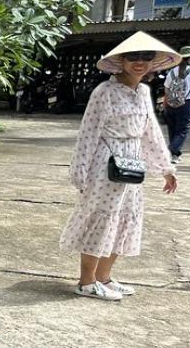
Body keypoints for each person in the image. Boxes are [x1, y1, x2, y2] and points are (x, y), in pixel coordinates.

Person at [60, 31, 180, 300]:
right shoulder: (104, 92)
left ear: (152, 62)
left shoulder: (144, 91)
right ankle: (86, 282)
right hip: (106, 161)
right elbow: (89, 132)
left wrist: (166, 167)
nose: (139, 62)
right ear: (121, 61)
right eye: (132, 56)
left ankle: (105, 277)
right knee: (101, 219)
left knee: (125, 218)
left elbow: (150, 132)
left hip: (133, 162)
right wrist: (80, 172)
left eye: (146, 57)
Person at [163, 45, 190, 163]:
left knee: (173, 129)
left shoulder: (172, 71)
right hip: (187, 103)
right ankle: (170, 150)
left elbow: (166, 88)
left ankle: (175, 155)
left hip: (171, 104)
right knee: (182, 130)